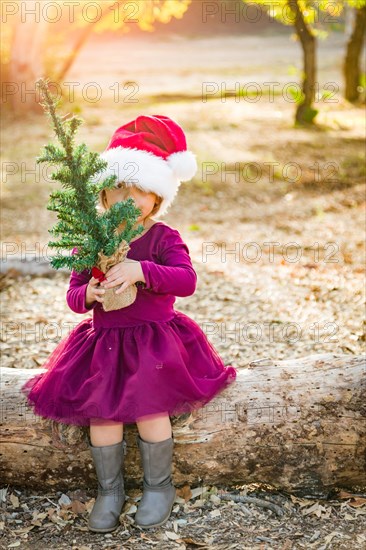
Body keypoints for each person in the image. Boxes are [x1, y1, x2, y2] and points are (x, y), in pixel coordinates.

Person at [21, 115, 237, 533]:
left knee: (151, 411)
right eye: (119, 187)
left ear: (158, 197)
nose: (129, 198)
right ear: (103, 193)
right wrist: (89, 296)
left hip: (154, 344)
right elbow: (73, 292)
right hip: (103, 345)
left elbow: (187, 280)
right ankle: (110, 490)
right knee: (103, 417)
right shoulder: (92, 240)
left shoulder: (163, 238)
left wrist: (142, 271)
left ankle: (159, 487)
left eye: (141, 190)